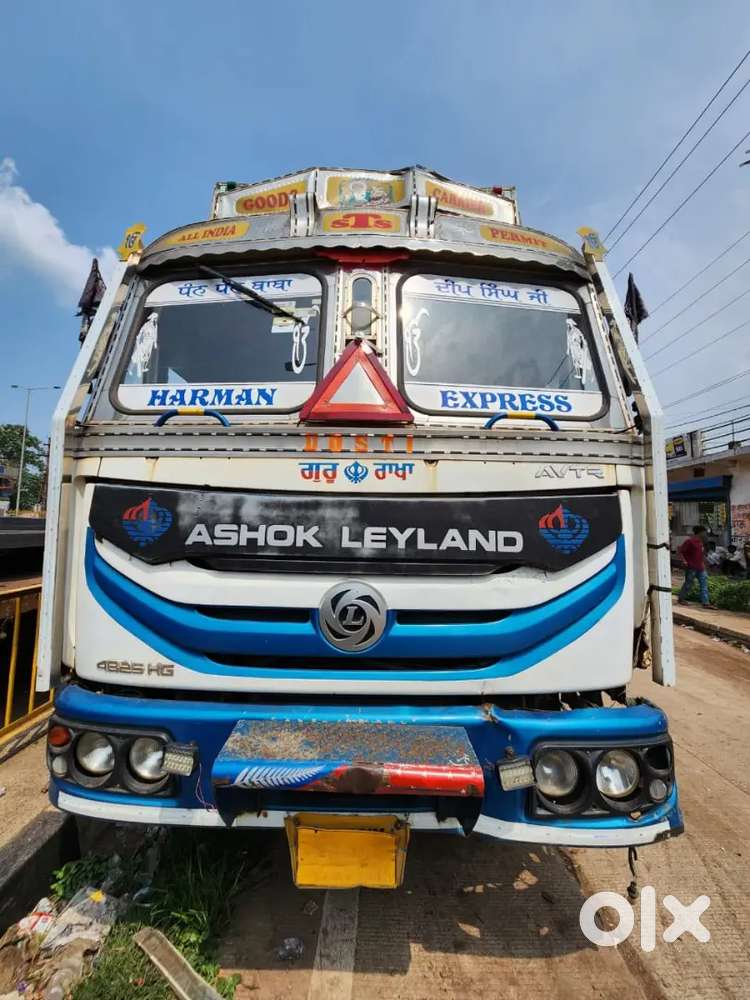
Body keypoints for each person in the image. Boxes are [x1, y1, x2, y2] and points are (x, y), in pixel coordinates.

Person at [677, 526, 716, 608]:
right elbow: (680, 551)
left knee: (704, 584)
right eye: (705, 532)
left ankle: (705, 603)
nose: (706, 534)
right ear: (700, 532)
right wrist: (684, 561)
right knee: (689, 583)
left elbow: (702, 555)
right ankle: (681, 598)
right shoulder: (690, 541)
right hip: (691, 567)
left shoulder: (701, 542)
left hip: (701, 567)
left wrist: (707, 564)